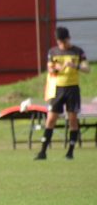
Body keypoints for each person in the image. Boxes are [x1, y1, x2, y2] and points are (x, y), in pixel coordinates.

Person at [35, 26, 89, 160]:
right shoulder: (53, 52)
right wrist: (58, 68)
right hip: (57, 89)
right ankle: (43, 152)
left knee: (72, 119)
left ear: (68, 39)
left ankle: (70, 152)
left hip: (72, 89)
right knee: (50, 119)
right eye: (59, 42)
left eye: (64, 42)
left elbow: (87, 69)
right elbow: (50, 69)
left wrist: (75, 66)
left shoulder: (77, 51)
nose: (62, 45)